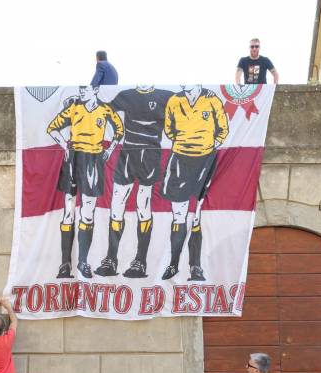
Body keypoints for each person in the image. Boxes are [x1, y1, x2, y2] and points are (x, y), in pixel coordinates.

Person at [94, 85, 173, 278]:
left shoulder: (167, 96)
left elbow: (187, 103)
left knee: (143, 205)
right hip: (128, 153)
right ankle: (111, 259)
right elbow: (105, 109)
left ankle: (140, 261)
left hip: (150, 155)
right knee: (116, 203)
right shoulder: (126, 95)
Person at [47, 85, 124, 278]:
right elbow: (52, 128)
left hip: (94, 160)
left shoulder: (105, 109)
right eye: (80, 89)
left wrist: (109, 150)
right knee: (68, 211)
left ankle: (83, 262)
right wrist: (65, 145)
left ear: (96, 90)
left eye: (85, 89)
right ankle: (65, 264)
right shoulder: (74, 108)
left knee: (87, 213)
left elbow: (119, 130)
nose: (81, 91)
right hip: (74, 158)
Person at [160, 84, 229, 281]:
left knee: (197, 215)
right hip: (180, 159)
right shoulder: (174, 101)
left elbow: (222, 129)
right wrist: (184, 143)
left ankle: (195, 268)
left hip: (205, 160)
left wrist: (206, 145)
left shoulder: (212, 100)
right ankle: (173, 265)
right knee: (179, 215)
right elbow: (169, 129)